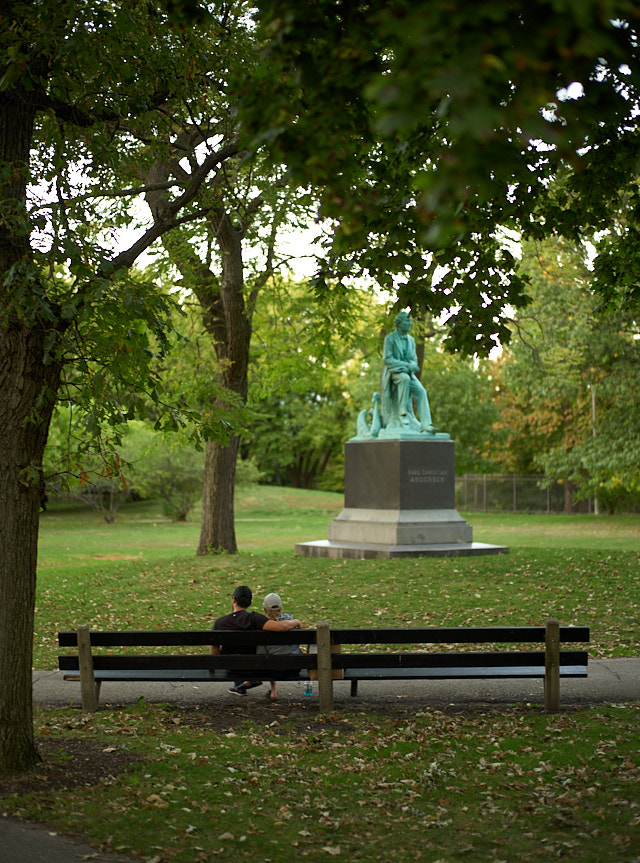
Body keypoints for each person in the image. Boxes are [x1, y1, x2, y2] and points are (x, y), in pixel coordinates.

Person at [211, 585, 302, 696]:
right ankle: (243, 683)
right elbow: (281, 627)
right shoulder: (255, 619)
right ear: (250, 602)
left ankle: (239, 685)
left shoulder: (220, 623)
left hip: (231, 669)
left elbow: (214, 652)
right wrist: (296, 622)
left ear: (234, 599)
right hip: (252, 668)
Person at [381, 310, 435, 433]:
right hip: (394, 372)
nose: (410, 324)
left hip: (408, 373)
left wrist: (411, 366)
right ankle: (402, 413)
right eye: (407, 321)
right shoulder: (390, 339)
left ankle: (426, 425)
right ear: (399, 323)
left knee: (421, 391)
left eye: (411, 321)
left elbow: (413, 359)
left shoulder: (410, 340)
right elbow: (387, 359)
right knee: (404, 379)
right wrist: (405, 365)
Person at [256, 593, 302, 701]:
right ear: (281, 608)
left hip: (274, 670)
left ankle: (273, 689)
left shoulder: (263, 628)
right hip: (295, 668)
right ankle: (273, 689)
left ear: (264, 609)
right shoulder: (291, 622)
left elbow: (261, 655)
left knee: (269, 659)